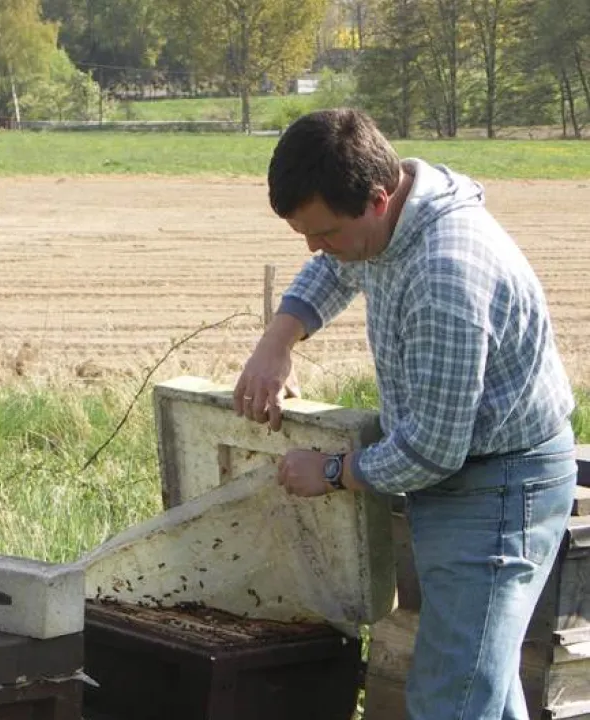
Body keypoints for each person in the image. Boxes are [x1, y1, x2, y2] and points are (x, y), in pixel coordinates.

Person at [233, 107, 578, 720]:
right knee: (482, 689)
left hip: (499, 490)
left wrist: (332, 471)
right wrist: (278, 339)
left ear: (378, 198)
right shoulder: (383, 223)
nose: (315, 247)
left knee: (452, 699)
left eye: (324, 231)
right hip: (463, 474)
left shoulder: (446, 275)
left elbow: (431, 450)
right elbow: (335, 265)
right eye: (305, 233)